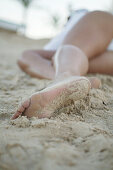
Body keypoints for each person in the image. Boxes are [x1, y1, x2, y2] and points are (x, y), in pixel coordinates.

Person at [12, 10, 113, 119]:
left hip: (99, 27)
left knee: (30, 55)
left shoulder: (78, 20)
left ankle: (66, 76)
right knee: (69, 56)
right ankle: (71, 76)